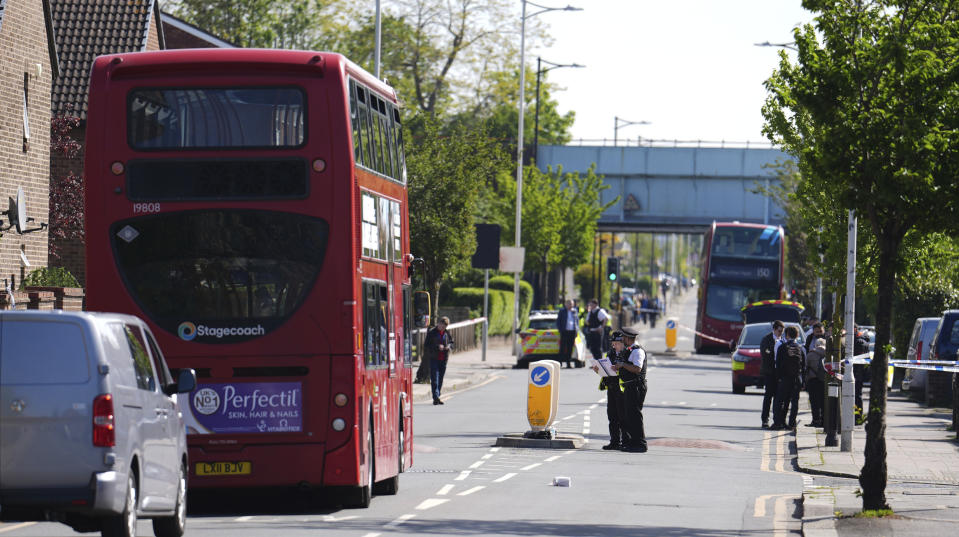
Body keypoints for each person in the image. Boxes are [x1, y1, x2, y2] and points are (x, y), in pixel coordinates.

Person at [612, 327, 648, 453]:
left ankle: (641, 444)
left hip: (636, 386)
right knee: (629, 416)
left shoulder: (637, 351)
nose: (622, 340)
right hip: (629, 386)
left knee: (635, 415)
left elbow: (637, 368)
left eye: (623, 338)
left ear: (628, 338)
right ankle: (633, 443)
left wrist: (622, 365)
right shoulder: (629, 350)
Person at [593, 330, 627, 450]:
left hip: (622, 389)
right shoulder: (611, 353)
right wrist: (598, 370)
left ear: (623, 343)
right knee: (612, 416)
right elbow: (606, 370)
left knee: (623, 416)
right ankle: (614, 441)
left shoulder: (628, 354)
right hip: (611, 387)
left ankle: (625, 442)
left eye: (616, 343)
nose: (614, 345)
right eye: (613, 343)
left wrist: (620, 370)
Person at [772, 325, 805, 430]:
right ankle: (791, 423)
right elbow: (804, 366)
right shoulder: (800, 348)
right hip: (796, 378)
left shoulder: (782, 347)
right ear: (797, 335)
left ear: (786, 335)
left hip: (785, 378)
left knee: (779, 401)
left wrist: (779, 378)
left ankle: (778, 422)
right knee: (794, 402)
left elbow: (778, 364)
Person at [759, 320, 785, 428]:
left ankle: (777, 420)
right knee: (768, 396)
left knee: (778, 398)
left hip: (779, 373)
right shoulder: (766, 339)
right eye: (779, 331)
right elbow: (765, 354)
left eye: (782, 332)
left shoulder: (783, 341)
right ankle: (765, 419)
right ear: (774, 329)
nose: (780, 333)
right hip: (770, 372)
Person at [424, 317, 454, 405]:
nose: (442, 327)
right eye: (441, 325)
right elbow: (427, 345)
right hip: (434, 358)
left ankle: (437, 395)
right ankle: (436, 397)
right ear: (438, 323)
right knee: (435, 379)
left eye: (444, 326)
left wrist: (448, 347)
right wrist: (437, 346)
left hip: (444, 359)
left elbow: (451, 342)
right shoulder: (432, 333)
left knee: (440, 379)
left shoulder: (447, 333)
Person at [805, 337, 828, 427]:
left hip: (813, 380)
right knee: (823, 402)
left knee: (814, 402)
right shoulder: (829, 354)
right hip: (824, 381)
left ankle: (815, 420)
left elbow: (806, 367)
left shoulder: (811, 354)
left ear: (816, 345)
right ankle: (823, 420)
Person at [555, 299, 579, 368]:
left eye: (572, 304)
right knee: (562, 348)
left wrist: (576, 330)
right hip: (564, 331)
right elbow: (558, 321)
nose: (571, 305)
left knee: (570, 348)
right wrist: (560, 330)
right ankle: (560, 363)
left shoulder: (574, 311)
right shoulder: (562, 311)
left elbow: (576, 321)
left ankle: (568, 363)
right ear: (566, 304)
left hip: (572, 332)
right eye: (569, 304)